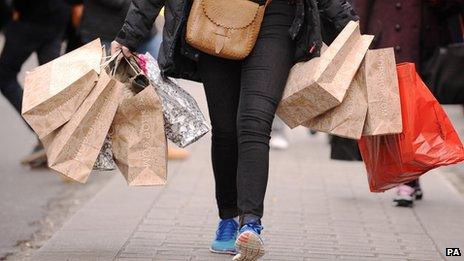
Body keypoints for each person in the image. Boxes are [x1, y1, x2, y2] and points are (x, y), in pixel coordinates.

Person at [112, 0, 357, 260]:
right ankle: (228, 217)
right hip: (214, 14)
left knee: (254, 122)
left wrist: (347, 24)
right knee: (226, 129)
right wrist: (130, 34)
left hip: (275, 17)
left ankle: (251, 223)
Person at [351, 0, 464, 207]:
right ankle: (407, 179)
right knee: (400, 109)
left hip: (427, 40)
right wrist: (357, 38)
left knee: (417, 112)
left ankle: (411, 176)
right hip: (388, 35)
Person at [0, 0, 70, 167]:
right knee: (49, 79)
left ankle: (47, 133)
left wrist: (12, 11)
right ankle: (61, 137)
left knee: (4, 76)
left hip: (30, 18)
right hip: (57, 15)